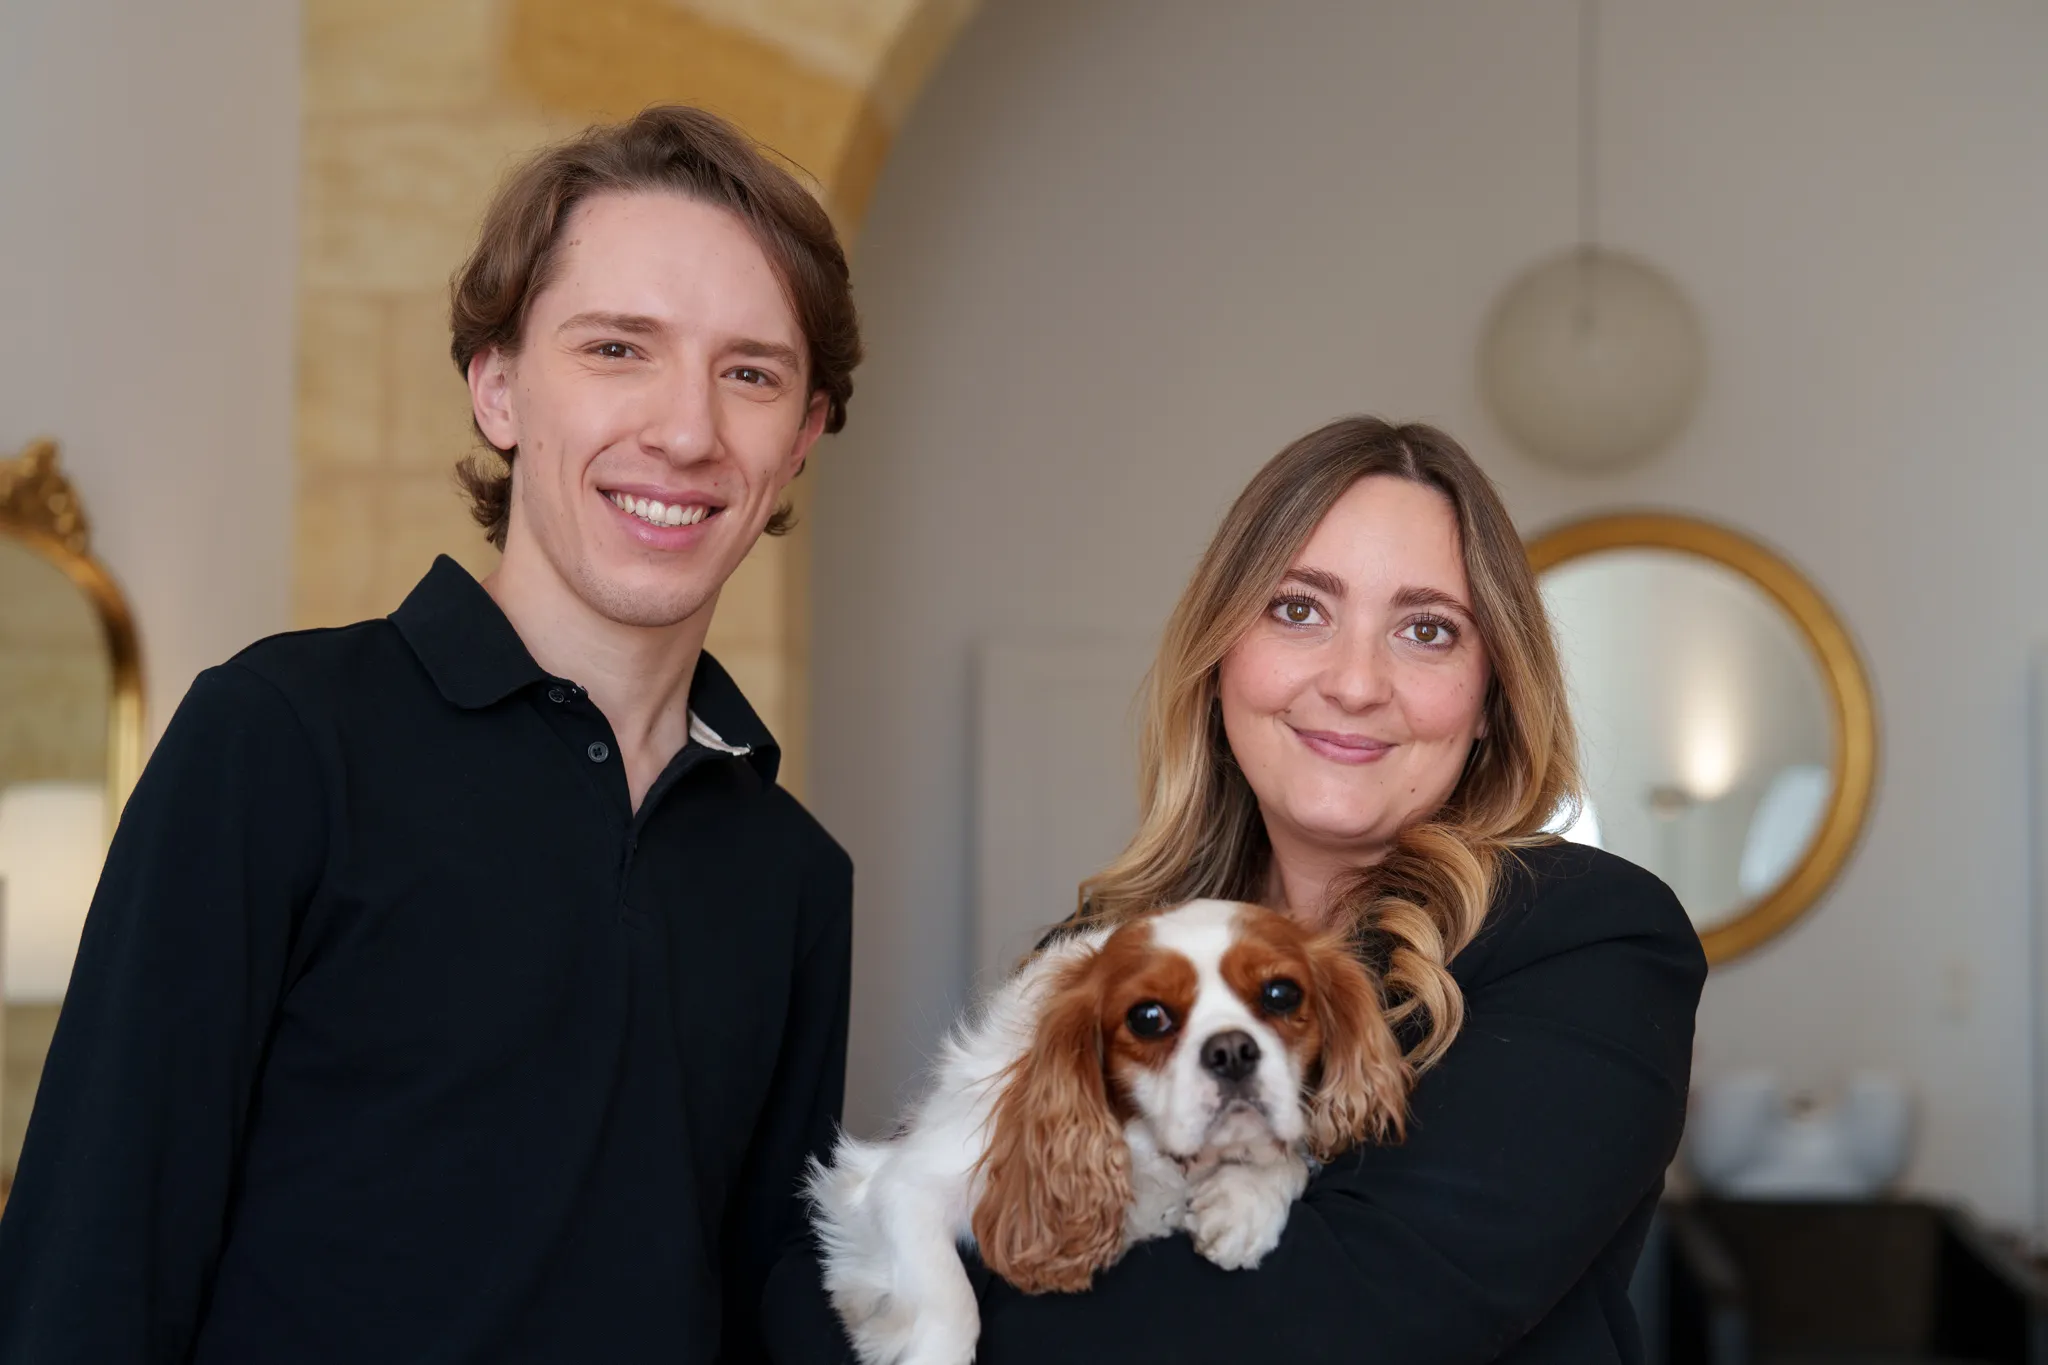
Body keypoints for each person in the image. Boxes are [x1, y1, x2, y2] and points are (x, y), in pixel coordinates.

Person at [0, 105, 861, 1364]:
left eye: (749, 372)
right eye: (618, 348)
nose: (686, 431)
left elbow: (768, 1312)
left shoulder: (794, 878)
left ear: (799, 442)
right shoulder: (279, 740)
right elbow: (90, 1262)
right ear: (499, 388)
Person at [765, 417, 1706, 1365]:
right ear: (1221, 661)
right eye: (1300, 609)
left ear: (1491, 696)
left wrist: (945, 1308)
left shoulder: (1590, 936)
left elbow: (1348, 1318)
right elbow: (810, 1290)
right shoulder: (1107, 951)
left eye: (1426, 630)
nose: (1354, 682)